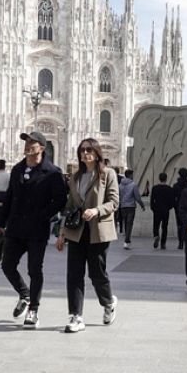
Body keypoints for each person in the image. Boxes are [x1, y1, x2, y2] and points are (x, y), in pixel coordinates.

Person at [0, 131, 68, 328]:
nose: (28, 145)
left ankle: (33, 309)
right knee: (7, 265)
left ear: (42, 148)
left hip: (37, 229)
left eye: (32, 143)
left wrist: (43, 215)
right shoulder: (18, 169)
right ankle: (24, 294)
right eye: (26, 142)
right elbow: (10, 196)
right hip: (16, 227)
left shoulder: (53, 172)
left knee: (34, 269)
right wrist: (0, 222)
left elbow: (60, 200)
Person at [55, 138, 118, 333]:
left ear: (97, 153)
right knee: (74, 274)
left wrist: (97, 210)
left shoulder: (108, 174)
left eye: (89, 150)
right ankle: (76, 315)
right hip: (76, 231)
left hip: (98, 231)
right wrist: (62, 233)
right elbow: (69, 207)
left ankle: (108, 303)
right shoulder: (75, 177)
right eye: (82, 150)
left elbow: (114, 202)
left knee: (96, 273)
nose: (85, 154)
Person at [116, 169, 145, 249]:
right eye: (132, 175)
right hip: (131, 206)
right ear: (130, 175)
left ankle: (126, 238)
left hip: (122, 206)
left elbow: (118, 195)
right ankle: (127, 240)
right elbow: (137, 197)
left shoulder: (120, 185)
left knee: (125, 223)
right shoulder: (133, 185)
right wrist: (142, 205)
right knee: (129, 224)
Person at [149, 172, 177, 250]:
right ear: (166, 179)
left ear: (159, 178)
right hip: (165, 210)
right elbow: (172, 201)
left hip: (157, 209)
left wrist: (153, 208)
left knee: (156, 225)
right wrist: (169, 207)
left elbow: (152, 199)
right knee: (164, 227)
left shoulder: (155, 188)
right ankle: (163, 243)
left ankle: (156, 235)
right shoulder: (169, 189)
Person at [170, 167, 187, 249]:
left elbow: (172, 197)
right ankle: (186, 241)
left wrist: (175, 205)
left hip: (178, 208)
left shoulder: (176, 186)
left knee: (179, 225)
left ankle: (180, 242)